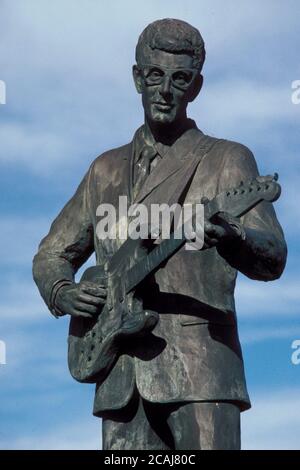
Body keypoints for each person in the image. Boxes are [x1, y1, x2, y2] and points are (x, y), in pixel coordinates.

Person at [33, 18, 287, 450]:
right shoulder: (104, 170)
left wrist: (230, 235)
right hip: (119, 379)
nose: (166, 89)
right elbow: (50, 254)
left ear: (196, 87)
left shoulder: (227, 159)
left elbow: (274, 256)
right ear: (137, 78)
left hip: (202, 372)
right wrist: (62, 292)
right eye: (155, 75)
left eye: (180, 78)